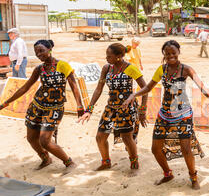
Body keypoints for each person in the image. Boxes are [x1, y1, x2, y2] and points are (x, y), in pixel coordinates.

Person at [122, 40, 209, 189]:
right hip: (165, 114)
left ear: (179, 52)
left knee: (186, 148)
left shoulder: (186, 69)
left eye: (173, 53)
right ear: (164, 55)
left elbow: (203, 88)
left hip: (183, 114)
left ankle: (193, 177)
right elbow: (148, 87)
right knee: (155, 148)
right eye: (167, 54)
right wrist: (133, 95)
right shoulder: (161, 69)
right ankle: (168, 174)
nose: (170, 56)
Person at [0, 40, 84, 174]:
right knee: (31, 138)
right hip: (37, 106)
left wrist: (80, 106)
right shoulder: (39, 69)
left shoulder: (63, 65)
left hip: (55, 108)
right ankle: (46, 159)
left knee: (45, 140)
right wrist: (6, 102)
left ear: (50, 49)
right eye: (36, 52)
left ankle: (69, 162)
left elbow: (74, 86)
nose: (39, 55)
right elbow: (25, 87)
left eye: (41, 51)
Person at [78, 43, 148, 177]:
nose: (106, 58)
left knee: (127, 138)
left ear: (119, 56)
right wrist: (89, 109)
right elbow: (99, 89)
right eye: (106, 55)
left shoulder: (130, 68)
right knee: (100, 137)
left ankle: (134, 164)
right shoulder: (106, 68)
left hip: (126, 108)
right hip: (110, 107)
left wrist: (142, 111)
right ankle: (106, 162)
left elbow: (145, 89)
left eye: (109, 56)